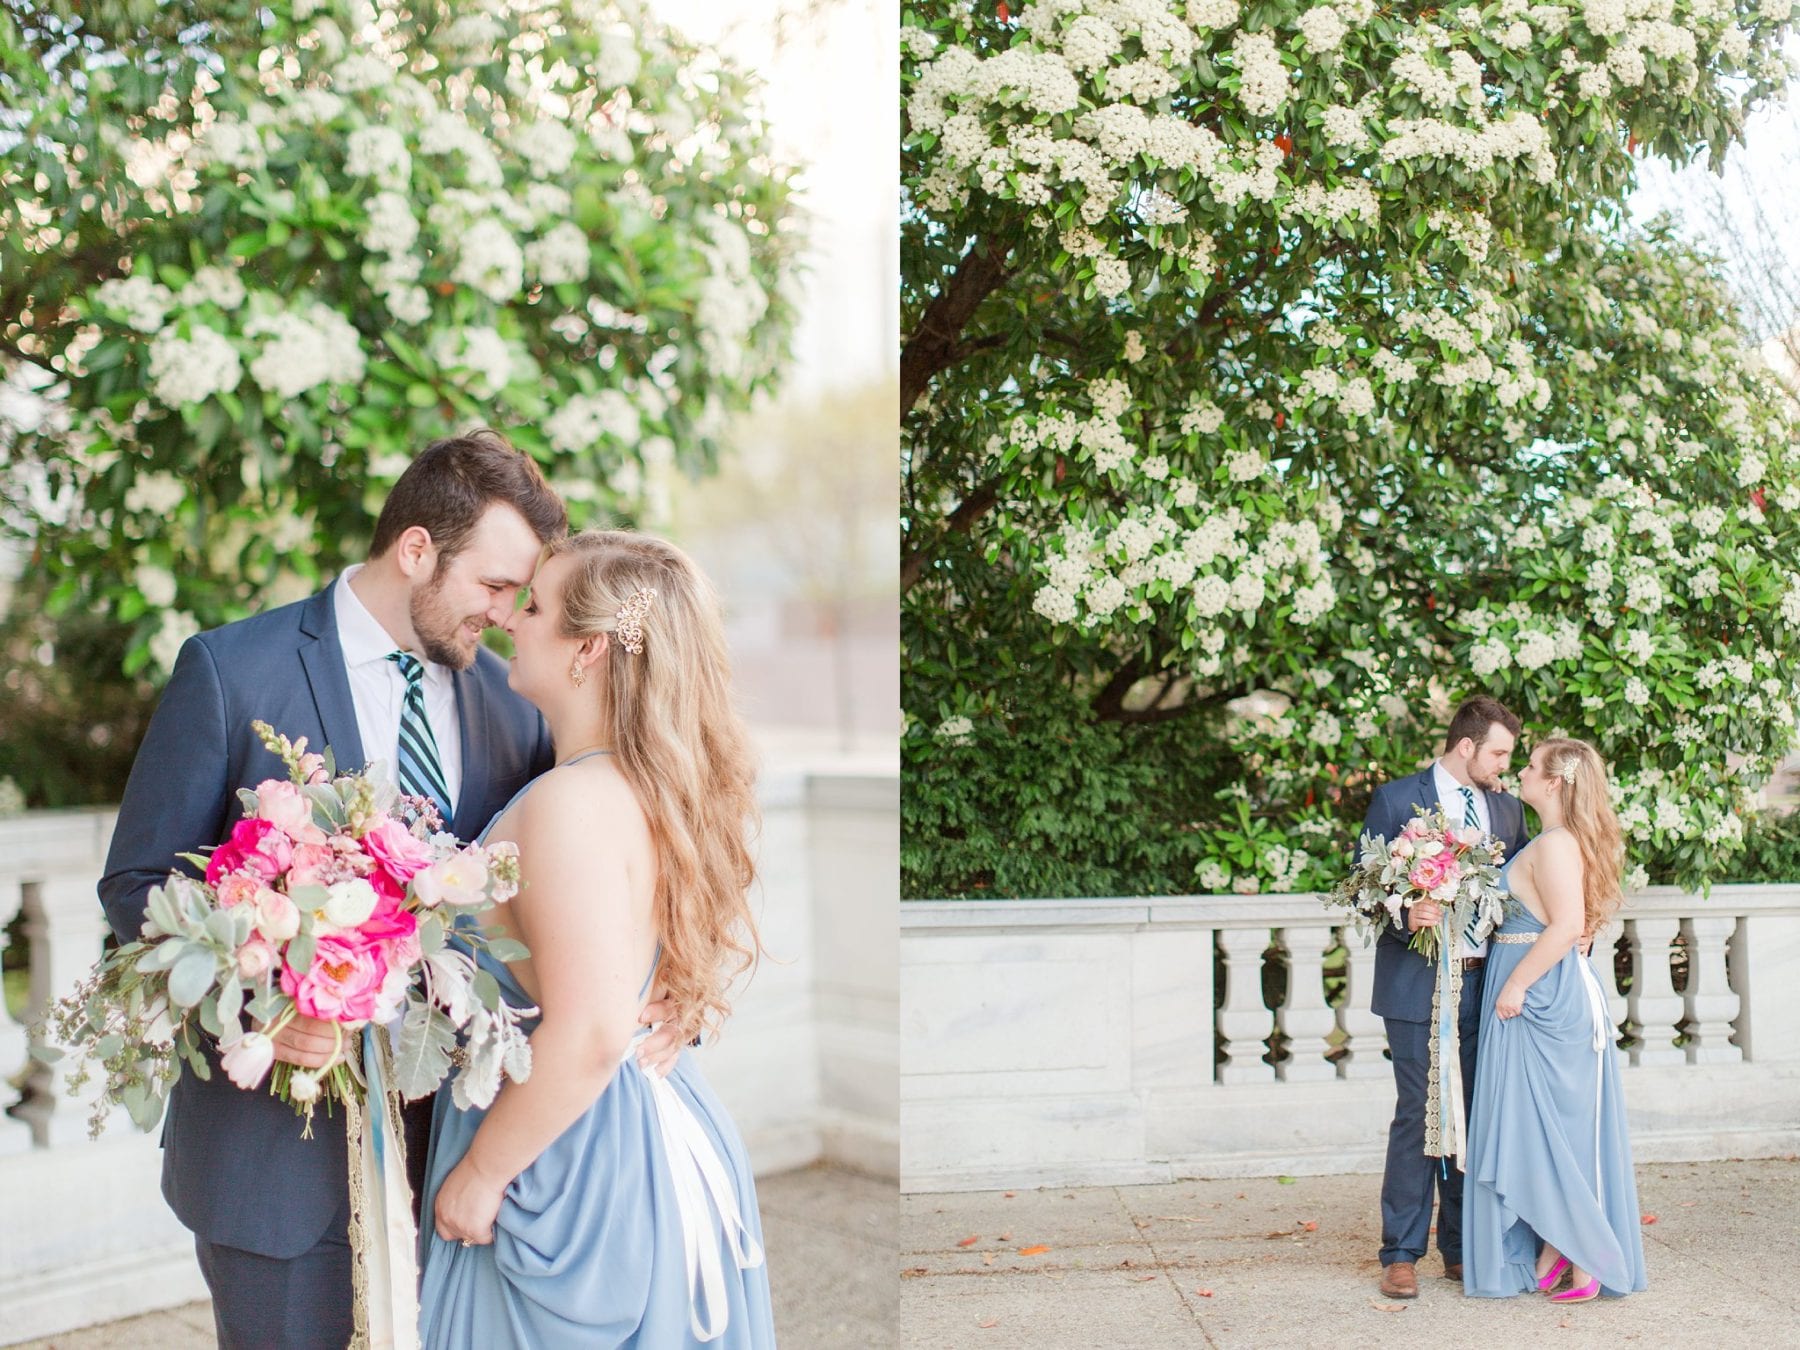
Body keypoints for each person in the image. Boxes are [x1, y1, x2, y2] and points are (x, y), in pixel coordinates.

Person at [98, 432, 687, 1349]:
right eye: (495, 587)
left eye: (522, 598)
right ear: (416, 550)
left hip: (459, 1148)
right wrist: (259, 999)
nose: (504, 614)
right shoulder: (231, 669)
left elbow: (589, 861)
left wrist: (677, 970)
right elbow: (138, 881)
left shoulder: (511, 698)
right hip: (274, 1166)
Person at [418, 528, 776, 1348]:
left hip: (568, 1159)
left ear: (589, 651)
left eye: (535, 606)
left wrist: (481, 1174)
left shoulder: (573, 804)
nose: (511, 617)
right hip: (626, 1127)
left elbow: (590, 1032)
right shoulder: (640, 787)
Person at [1464, 738, 1647, 1301]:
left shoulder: (1557, 844)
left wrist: (1516, 984)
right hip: (1538, 985)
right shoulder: (1552, 842)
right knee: (1540, 1130)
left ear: (1552, 781)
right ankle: (1558, 1249)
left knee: (1545, 1130)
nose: (1519, 769)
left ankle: (1583, 1255)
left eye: (1529, 763)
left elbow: (1568, 925)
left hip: (1536, 993)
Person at [1361, 695, 1530, 1300]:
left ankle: (1462, 1247)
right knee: (1418, 1113)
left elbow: (1523, 894)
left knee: (1477, 1114)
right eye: (1499, 753)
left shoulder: (1508, 811)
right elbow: (1361, 890)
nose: (1506, 766)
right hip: (1415, 985)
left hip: (1486, 985)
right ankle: (1401, 1252)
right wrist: (1408, 911)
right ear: (1467, 747)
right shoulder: (1395, 800)